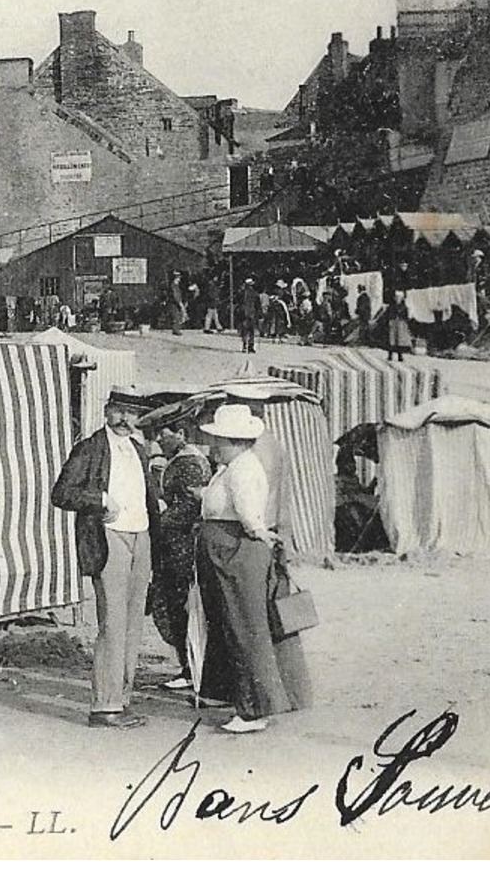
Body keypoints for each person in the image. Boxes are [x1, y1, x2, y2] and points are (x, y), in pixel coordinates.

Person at [50, 387, 164, 729]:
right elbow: (62, 493)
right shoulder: (90, 448)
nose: (125, 419)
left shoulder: (139, 450)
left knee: (132, 625)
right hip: (109, 538)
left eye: (132, 412)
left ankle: (122, 700)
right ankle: (104, 706)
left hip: (140, 536)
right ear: (107, 410)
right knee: (112, 623)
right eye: (119, 410)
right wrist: (100, 498)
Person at [194, 404, 311, 733]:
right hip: (227, 548)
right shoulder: (233, 466)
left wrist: (258, 532)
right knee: (235, 624)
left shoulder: (243, 468)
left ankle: (254, 710)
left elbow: (248, 514)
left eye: (219, 440)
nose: (214, 445)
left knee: (244, 627)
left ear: (235, 440)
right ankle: (244, 700)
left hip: (236, 550)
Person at [149, 420, 212, 693]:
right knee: (176, 605)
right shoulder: (179, 460)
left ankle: (192, 669)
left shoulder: (189, 464)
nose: (159, 442)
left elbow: (188, 506)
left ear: (181, 434)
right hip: (174, 543)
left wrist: (157, 522)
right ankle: (189, 667)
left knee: (181, 605)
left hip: (181, 545)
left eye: (164, 436)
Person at [384, 289, 412, 362]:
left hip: (401, 324)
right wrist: (390, 320)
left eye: (399, 297)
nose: (397, 299)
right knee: (392, 340)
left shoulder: (404, 307)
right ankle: (390, 355)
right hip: (393, 323)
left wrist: (404, 321)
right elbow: (388, 314)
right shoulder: (391, 306)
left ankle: (400, 356)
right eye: (396, 297)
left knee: (400, 340)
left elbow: (407, 316)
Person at [237, 278, 259, 354]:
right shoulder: (254, 293)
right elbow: (257, 304)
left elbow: (238, 302)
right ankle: (250, 346)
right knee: (251, 331)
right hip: (252, 313)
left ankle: (244, 346)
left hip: (244, 313)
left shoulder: (242, 293)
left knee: (245, 330)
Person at [170, 271, 188, 336]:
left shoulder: (176, 286)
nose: (179, 279)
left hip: (176, 302)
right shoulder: (174, 286)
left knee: (178, 316)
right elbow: (176, 295)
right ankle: (176, 330)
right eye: (178, 278)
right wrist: (180, 303)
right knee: (176, 316)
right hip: (174, 303)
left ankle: (177, 329)